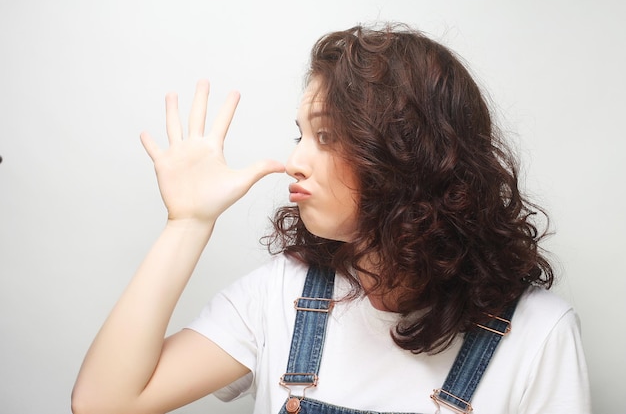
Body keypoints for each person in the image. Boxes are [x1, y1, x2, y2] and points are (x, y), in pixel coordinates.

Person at [71, 23, 591, 414]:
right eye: (300, 134)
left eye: (325, 135)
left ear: (407, 153)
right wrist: (186, 223)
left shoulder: (538, 334)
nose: (295, 160)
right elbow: (102, 403)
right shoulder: (282, 294)